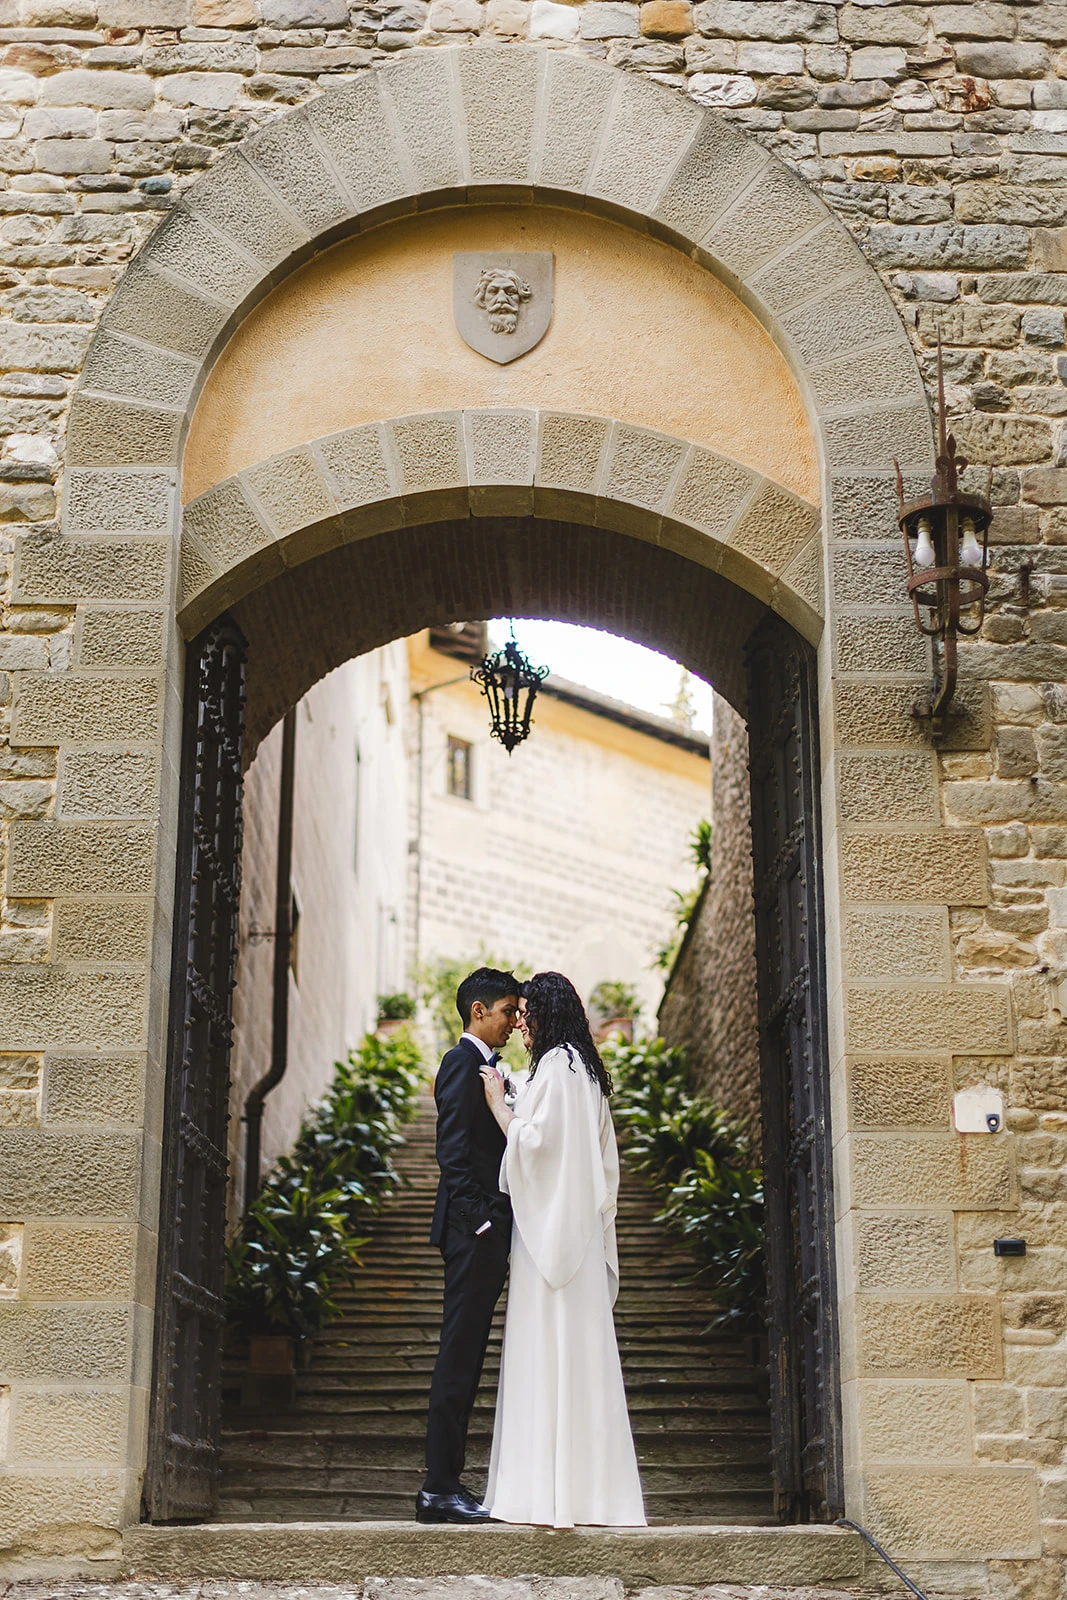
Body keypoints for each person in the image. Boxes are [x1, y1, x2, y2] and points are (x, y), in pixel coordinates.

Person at [479, 971, 647, 1529]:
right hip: (578, 1237)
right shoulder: (588, 1073)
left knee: (543, 1354)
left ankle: (540, 1495)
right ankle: (593, 1496)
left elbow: (535, 1145)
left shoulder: (555, 1068)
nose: (520, 1022)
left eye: (526, 1013)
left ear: (546, 1014)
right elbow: (598, 1163)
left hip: (546, 1238)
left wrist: (502, 1108)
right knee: (582, 1361)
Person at [417, 966, 520, 1524]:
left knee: (468, 1353)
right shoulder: (460, 1063)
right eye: (507, 1010)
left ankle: (446, 1482)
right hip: (471, 1233)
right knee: (458, 1355)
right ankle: (438, 1486)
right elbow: (452, 1151)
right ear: (478, 1011)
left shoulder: (487, 1068)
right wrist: (481, 1224)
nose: (513, 1021)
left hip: (482, 1232)